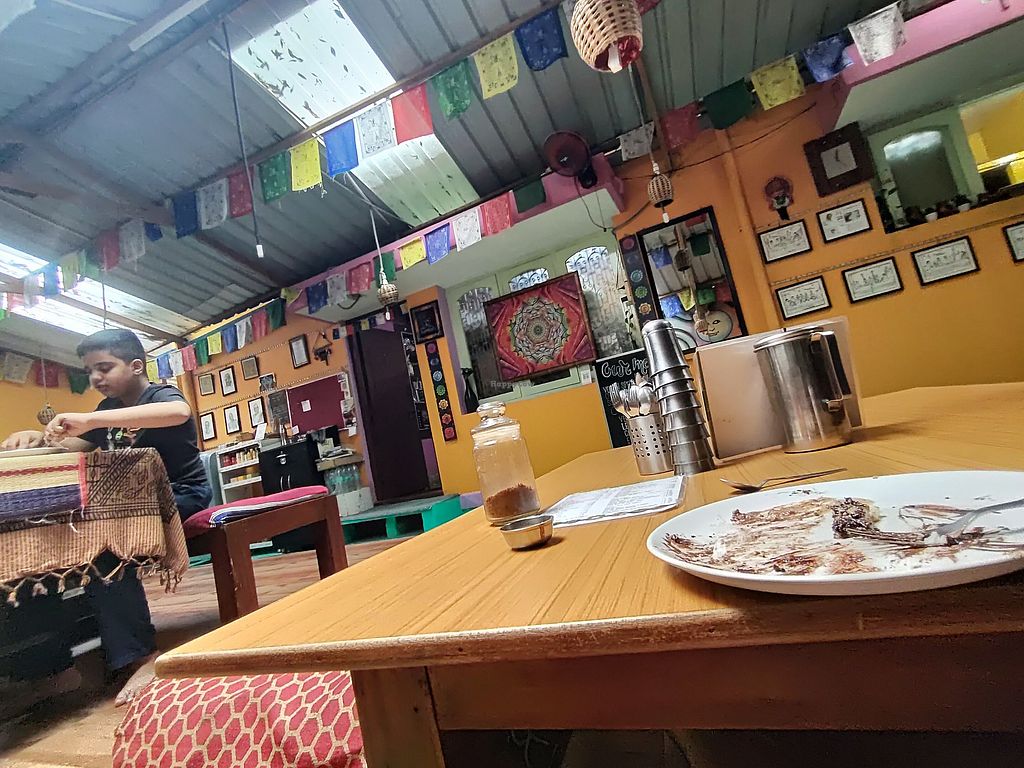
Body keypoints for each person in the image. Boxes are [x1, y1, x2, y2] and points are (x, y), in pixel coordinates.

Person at [1, 328, 212, 707]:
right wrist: (37, 436)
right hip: (125, 504)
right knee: (40, 544)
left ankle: (141, 656)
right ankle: (53, 668)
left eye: (104, 367)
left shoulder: (160, 395)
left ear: (136, 366)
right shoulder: (103, 411)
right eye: (89, 371)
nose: (96, 377)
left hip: (180, 494)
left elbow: (179, 412)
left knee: (108, 547)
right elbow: (70, 447)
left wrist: (94, 421)